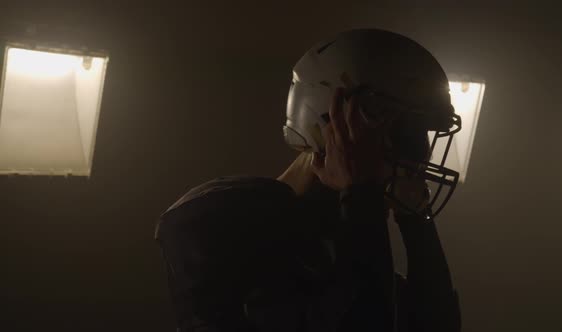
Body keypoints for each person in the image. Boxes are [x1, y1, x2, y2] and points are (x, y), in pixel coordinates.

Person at [156, 28, 462, 332]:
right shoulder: (221, 219)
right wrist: (360, 193)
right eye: (407, 135)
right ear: (335, 124)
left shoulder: (342, 239)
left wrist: (418, 226)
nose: (419, 159)